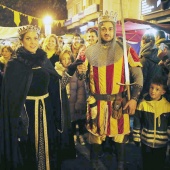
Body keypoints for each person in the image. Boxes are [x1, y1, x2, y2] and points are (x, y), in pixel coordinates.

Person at [0, 25, 83, 170]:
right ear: (21, 41)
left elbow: (57, 86)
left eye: (35, 38)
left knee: (49, 147)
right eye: (28, 38)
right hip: (27, 115)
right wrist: (20, 119)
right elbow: (11, 97)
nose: (32, 42)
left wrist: (70, 70)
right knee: (29, 150)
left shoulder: (44, 60)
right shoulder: (14, 65)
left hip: (47, 112)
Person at [80, 11, 143, 170]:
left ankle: (120, 165)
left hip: (118, 102)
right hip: (96, 104)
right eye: (103, 29)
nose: (107, 32)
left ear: (114, 30)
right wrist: (80, 71)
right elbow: (82, 76)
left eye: (110, 28)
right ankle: (95, 164)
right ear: (99, 30)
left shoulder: (125, 49)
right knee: (95, 136)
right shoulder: (90, 51)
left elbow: (138, 76)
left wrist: (134, 98)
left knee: (119, 136)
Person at [133, 76, 170, 170]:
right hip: (146, 142)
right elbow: (137, 121)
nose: (153, 91)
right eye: (151, 87)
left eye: (157, 89)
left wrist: (168, 136)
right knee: (146, 164)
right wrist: (136, 136)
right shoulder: (143, 104)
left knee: (159, 165)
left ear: (163, 92)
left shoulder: (167, 106)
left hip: (161, 144)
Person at [55, 47, 87, 146]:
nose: (66, 61)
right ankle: (72, 136)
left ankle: (80, 135)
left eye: (68, 58)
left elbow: (82, 84)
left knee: (79, 118)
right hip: (66, 100)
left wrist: (83, 72)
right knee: (70, 120)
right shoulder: (58, 71)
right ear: (60, 60)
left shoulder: (76, 69)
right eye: (64, 59)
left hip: (77, 98)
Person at [138, 33, 166, 100]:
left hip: (145, 95)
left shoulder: (144, 58)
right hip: (158, 94)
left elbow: (141, 80)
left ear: (143, 41)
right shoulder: (160, 55)